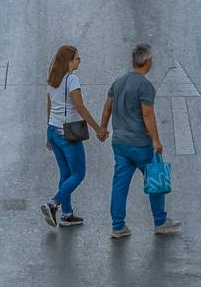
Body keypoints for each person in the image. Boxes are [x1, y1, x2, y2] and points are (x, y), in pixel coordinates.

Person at [100, 42, 181, 240]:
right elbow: (147, 114)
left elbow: (107, 107)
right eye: (151, 60)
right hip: (140, 145)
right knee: (156, 179)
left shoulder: (118, 82)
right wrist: (156, 141)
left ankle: (118, 226)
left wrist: (103, 128)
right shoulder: (145, 86)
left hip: (120, 143)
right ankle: (160, 222)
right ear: (147, 62)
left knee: (119, 185)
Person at [42, 43, 106, 229]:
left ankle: (67, 215)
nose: (80, 61)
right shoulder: (72, 79)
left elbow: (50, 107)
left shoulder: (53, 79)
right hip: (67, 133)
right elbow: (80, 107)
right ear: (69, 61)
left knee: (66, 174)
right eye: (77, 58)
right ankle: (53, 204)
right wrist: (98, 129)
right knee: (78, 174)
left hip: (53, 130)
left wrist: (48, 134)